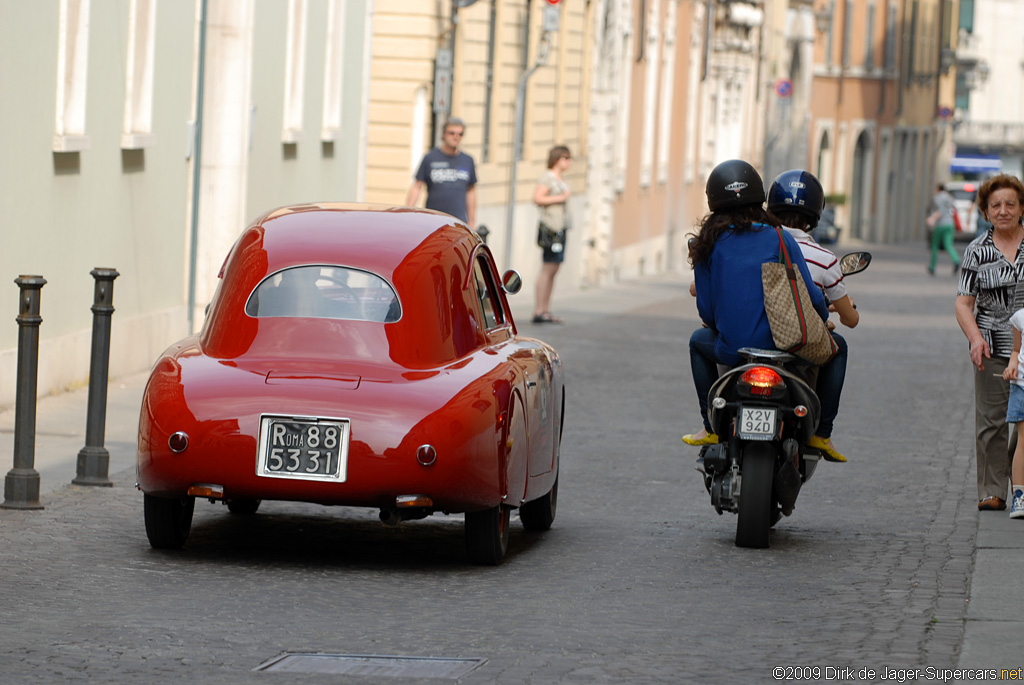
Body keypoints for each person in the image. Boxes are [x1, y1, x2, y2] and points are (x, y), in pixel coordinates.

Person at [682, 160, 828, 447]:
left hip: (732, 350)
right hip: (785, 348)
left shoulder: (707, 244)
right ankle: (822, 433)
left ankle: (708, 423)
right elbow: (811, 295)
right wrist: (822, 319)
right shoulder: (780, 238)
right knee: (839, 348)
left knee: (697, 342)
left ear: (713, 201)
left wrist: (727, 324)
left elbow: (707, 311)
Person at [768, 169, 858, 462]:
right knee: (840, 346)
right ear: (815, 214)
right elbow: (851, 320)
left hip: (751, 337)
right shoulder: (824, 258)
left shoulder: (756, 245)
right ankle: (823, 432)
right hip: (799, 345)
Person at [955, 173, 1024, 511]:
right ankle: (993, 490)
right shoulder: (977, 251)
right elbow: (963, 303)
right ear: (985, 211)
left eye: (1010, 204)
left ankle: (1019, 480)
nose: (1003, 211)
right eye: (995, 205)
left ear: (1021, 208)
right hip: (993, 346)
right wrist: (975, 339)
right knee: (992, 422)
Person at [406, 117, 477, 227]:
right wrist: (408, 213)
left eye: (460, 134)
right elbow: (417, 186)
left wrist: (472, 221)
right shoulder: (430, 158)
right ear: (443, 134)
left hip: (458, 222)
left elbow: (471, 191)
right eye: (452, 133)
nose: (456, 137)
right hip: (433, 220)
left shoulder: (468, 160)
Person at [531, 145, 572, 324]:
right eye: (566, 157)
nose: (569, 161)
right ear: (557, 158)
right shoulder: (547, 177)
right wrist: (560, 198)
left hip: (560, 228)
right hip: (551, 229)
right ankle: (539, 310)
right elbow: (537, 198)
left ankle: (546, 309)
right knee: (547, 268)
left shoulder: (559, 178)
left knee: (554, 268)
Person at [999, 309, 1024, 518]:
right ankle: (1019, 495)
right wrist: (1012, 364)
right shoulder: (1020, 317)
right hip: (1022, 386)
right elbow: (1016, 350)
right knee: (1023, 442)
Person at [927, 184, 961, 276]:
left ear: (938, 189)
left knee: (934, 246)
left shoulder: (937, 198)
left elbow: (939, 211)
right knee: (948, 245)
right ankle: (956, 260)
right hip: (950, 223)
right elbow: (954, 210)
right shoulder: (950, 198)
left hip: (940, 224)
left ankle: (932, 267)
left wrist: (932, 218)